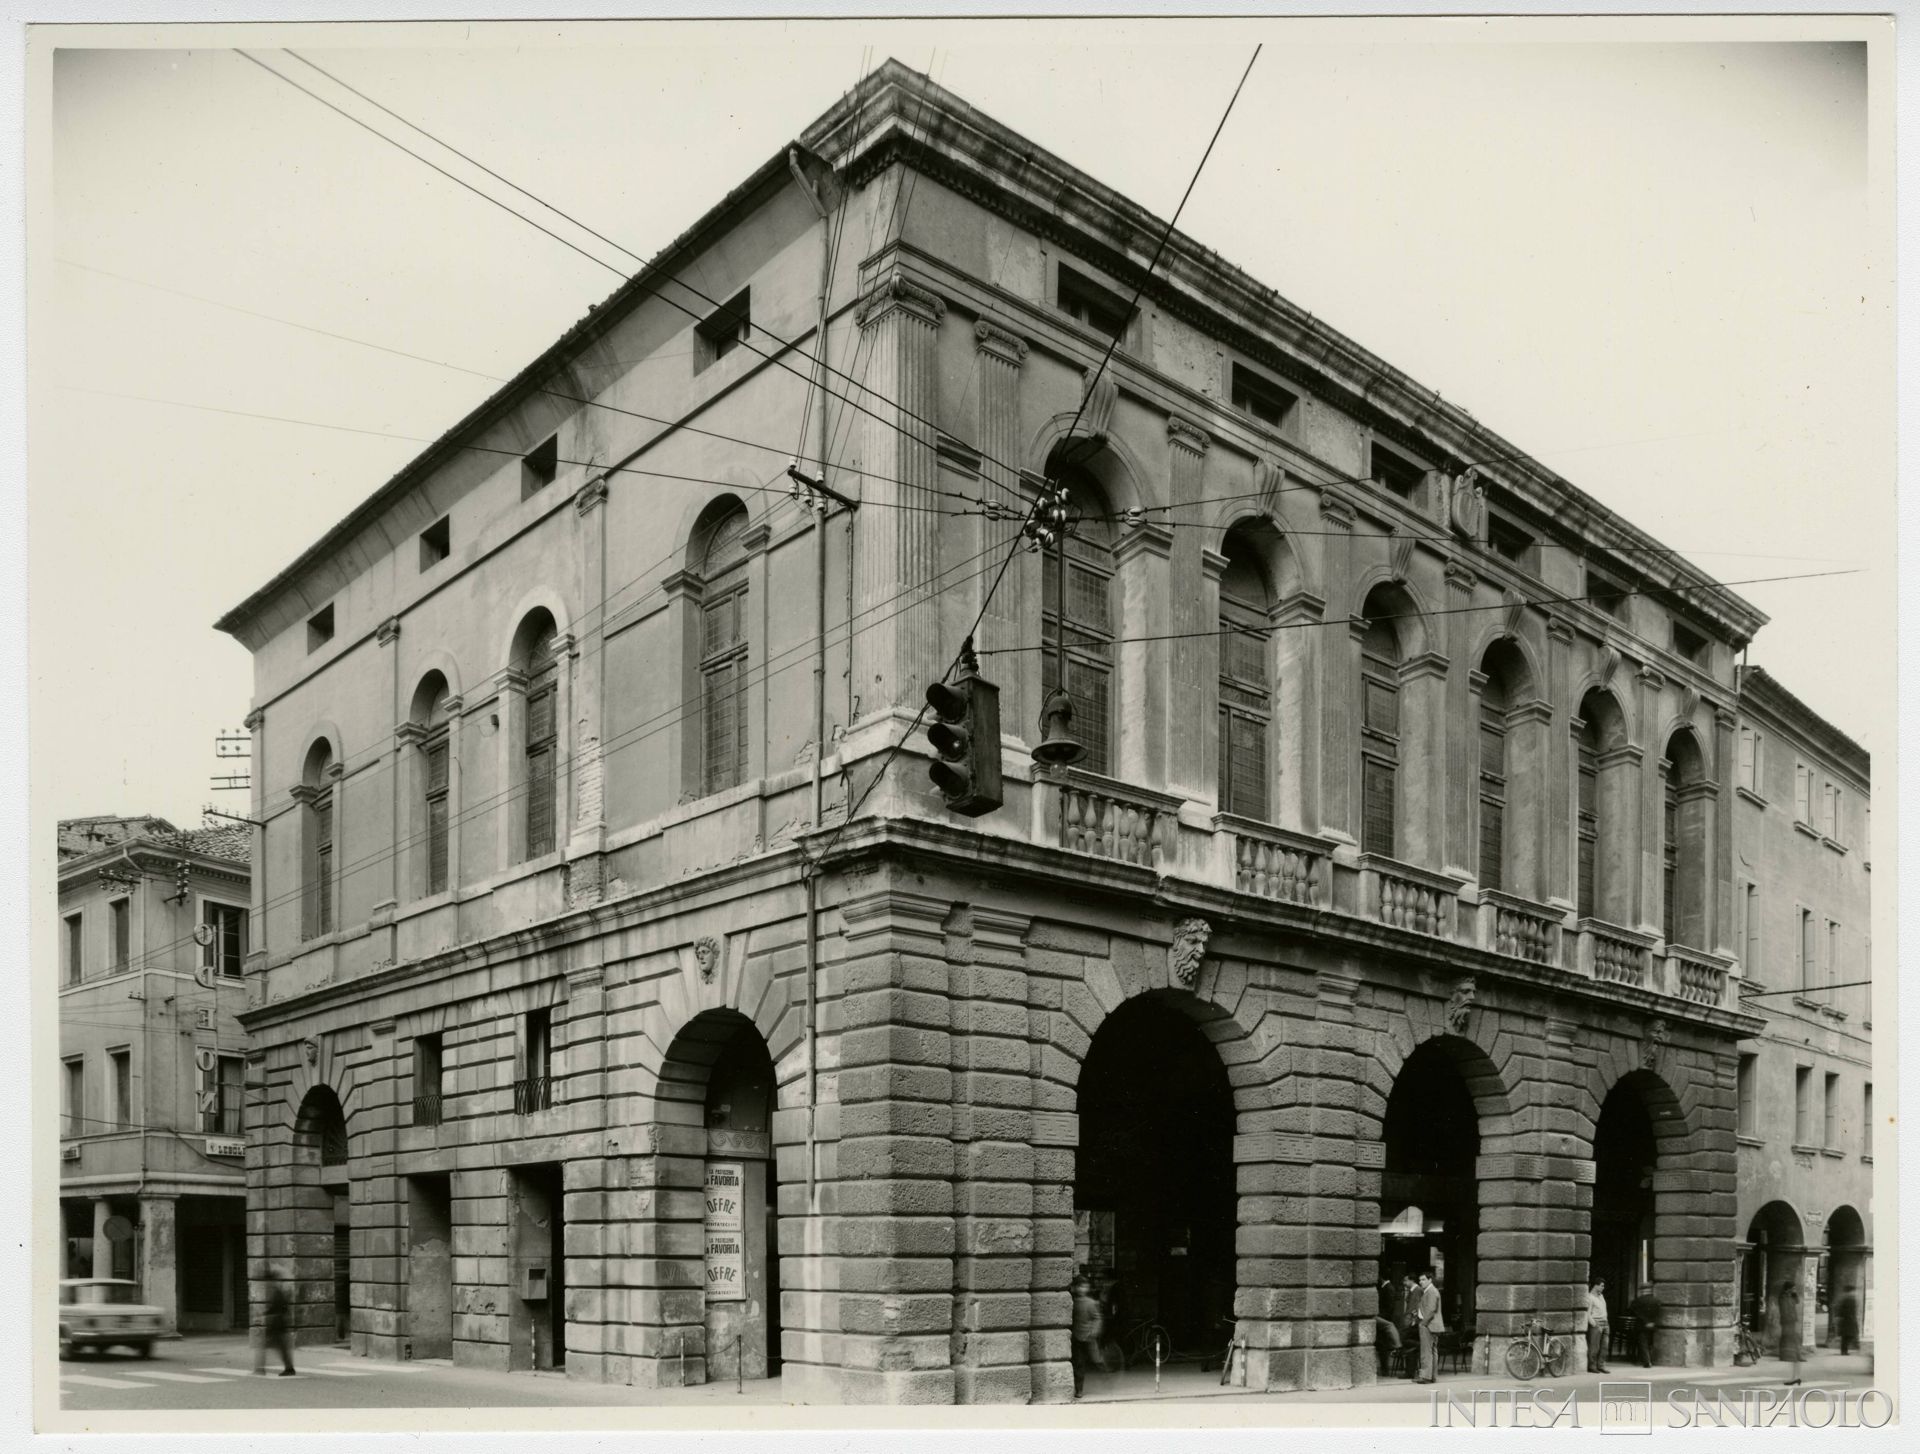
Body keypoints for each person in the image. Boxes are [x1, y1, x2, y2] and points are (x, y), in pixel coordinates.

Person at [254, 1267, 295, 1377]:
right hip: (277, 1324)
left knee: (264, 1346)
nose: (266, 1283)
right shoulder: (276, 1291)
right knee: (280, 1347)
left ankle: (260, 1369)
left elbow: (278, 1308)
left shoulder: (276, 1292)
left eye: (267, 1281)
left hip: (277, 1324)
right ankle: (289, 1368)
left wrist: (265, 1314)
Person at [1070, 1275, 1104, 1398]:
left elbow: (1097, 1318)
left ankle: (1104, 1369)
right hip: (1076, 1337)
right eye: (1080, 1286)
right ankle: (1078, 1389)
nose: (1082, 1289)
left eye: (1084, 1286)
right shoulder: (1071, 1301)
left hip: (1087, 1336)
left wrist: (1093, 1331)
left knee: (1093, 1359)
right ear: (1075, 1288)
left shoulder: (1090, 1303)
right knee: (1078, 1363)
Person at [1414, 1269, 1445, 1384]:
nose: (1421, 1282)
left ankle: (1425, 1377)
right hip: (1433, 1325)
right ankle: (1432, 1376)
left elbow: (1431, 1310)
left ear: (1430, 1280)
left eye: (1423, 1279)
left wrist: (1423, 1323)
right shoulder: (1430, 1291)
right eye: (1420, 1280)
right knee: (1432, 1351)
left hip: (1428, 1325)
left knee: (1426, 1351)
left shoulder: (1431, 1291)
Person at [1376, 1272, 1404, 1374]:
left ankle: (1385, 1369)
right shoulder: (1385, 1287)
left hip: (1385, 1319)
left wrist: (1381, 1317)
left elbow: (1389, 1307)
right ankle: (1385, 1369)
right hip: (1384, 1319)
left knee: (1382, 1346)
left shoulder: (1388, 1288)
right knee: (1381, 1346)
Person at [1628, 1284, 1660, 1368]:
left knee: (1643, 1343)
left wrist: (1645, 1321)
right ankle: (1650, 1360)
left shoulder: (1638, 1300)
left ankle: (1646, 1362)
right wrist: (1652, 1322)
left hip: (1641, 1325)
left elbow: (1632, 1312)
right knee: (1650, 1343)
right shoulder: (1656, 1301)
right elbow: (1658, 1314)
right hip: (1653, 1325)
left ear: (1643, 1290)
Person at [1777, 1280, 1802, 1385]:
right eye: (1793, 1288)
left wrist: (1795, 1294)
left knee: (1792, 1344)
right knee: (1790, 1343)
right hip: (1787, 1322)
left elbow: (1797, 1302)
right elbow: (1785, 1310)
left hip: (1791, 1321)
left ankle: (1795, 1376)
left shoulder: (1791, 1296)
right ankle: (1794, 1375)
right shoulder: (1783, 1297)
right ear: (1788, 1289)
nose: (1794, 1290)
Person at [1586, 1279, 1610, 1374]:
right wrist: (1594, 1324)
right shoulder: (1590, 1297)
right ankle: (1592, 1366)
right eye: (1602, 1285)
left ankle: (1601, 1365)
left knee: (1604, 1347)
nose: (1603, 1288)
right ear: (1595, 1285)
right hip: (1597, 1323)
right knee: (1594, 1347)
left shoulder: (1601, 1296)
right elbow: (1587, 1313)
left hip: (1605, 1323)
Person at [1834, 1288, 1860, 1358]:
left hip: (1847, 1320)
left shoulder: (1847, 1299)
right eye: (1853, 1291)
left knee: (1846, 1336)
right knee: (1848, 1336)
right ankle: (1844, 1351)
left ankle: (1844, 1351)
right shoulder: (1849, 1299)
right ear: (1850, 1291)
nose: (1854, 1293)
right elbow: (1843, 1310)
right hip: (1848, 1320)